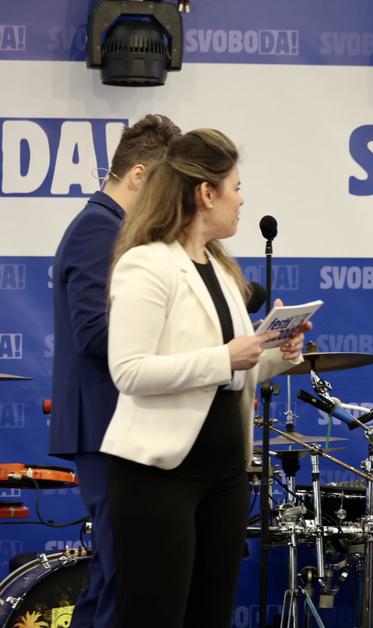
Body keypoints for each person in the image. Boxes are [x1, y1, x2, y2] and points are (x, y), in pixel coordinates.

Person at [101, 128, 310, 628]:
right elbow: (129, 370)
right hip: (158, 477)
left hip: (225, 476)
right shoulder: (146, 263)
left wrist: (278, 354)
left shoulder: (219, 267)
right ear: (206, 194)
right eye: (236, 187)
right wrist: (224, 357)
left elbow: (233, 371)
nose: (242, 200)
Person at [50, 113, 181, 628]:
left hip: (119, 427)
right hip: (105, 426)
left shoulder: (118, 231)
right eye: (167, 185)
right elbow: (94, 335)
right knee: (122, 575)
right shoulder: (96, 230)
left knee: (115, 574)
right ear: (140, 176)